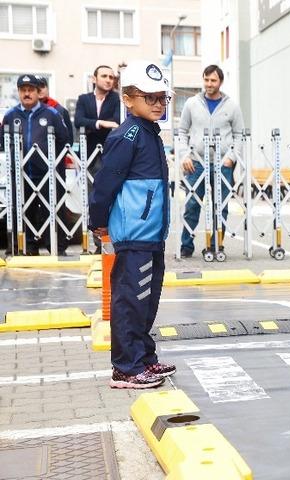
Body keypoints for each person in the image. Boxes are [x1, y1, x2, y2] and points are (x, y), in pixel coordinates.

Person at [88, 60, 175, 388]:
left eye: (162, 98)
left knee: (146, 301)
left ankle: (143, 358)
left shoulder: (150, 133)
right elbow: (105, 182)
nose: (158, 104)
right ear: (127, 99)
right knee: (130, 300)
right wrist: (98, 221)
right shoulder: (128, 135)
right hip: (134, 235)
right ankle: (126, 367)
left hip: (151, 235)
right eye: (149, 97)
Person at [176, 65, 246, 259]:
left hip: (223, 164)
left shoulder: (232, 106)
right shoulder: (191, 103)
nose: (209, 84)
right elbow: (182, 131)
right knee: (192, 205)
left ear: (220, 82)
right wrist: (184, 155)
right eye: (206, 79)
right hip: (196, 163)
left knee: (221, 206)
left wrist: (232, 158)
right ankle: (186, 246)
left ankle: (216, 245)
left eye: (213, 80)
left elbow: (239, 134)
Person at [1, 74, 71, 255]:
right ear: (18, 92)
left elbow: (64, 139)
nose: (27, 94)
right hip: (21, 174)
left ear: (37, 92)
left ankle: (56, 248)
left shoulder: (52, 113)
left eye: (30, 90)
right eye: (23, 90)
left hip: (48, 174)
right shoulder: (10, 115)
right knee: (24, 211)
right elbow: (3, 141)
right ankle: (28, 248)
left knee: (53, 210)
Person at [74, 65, 121, 174]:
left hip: (109, 151)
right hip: (87, 152)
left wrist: (89, 125)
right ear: (94, 79)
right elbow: (79, 121)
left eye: (111, 77)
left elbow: (117, 121)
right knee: (87, 183)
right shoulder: (83, 99)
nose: (108, 80)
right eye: (104, 76)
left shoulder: (117, 99)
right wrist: (100, 123)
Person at [34, 76, 74, 140]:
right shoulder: (26, 111)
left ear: (47, 89)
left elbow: (68, 139)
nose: (40, 90)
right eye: (36, 88)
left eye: (42, 86)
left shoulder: (60, 111)